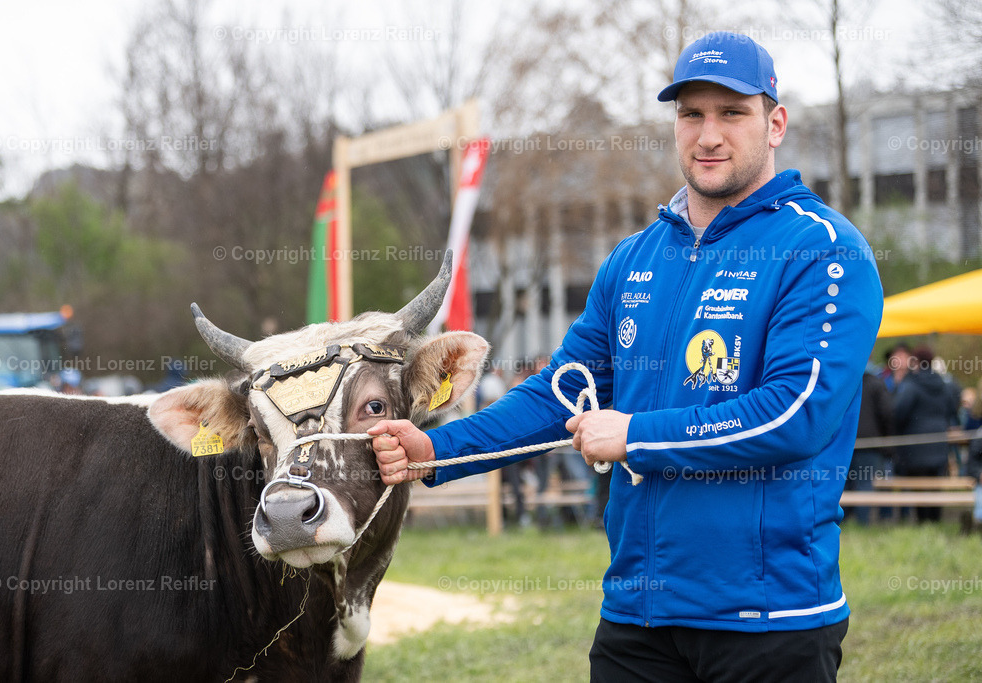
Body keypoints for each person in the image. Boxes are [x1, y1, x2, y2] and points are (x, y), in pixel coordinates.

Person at [370, 31, 882, 682]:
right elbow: (565, 389)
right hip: (636, 619)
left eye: (732, 112)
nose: (709, 134)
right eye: (691, 113)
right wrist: (439, 451)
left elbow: (795, 415)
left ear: (775, 122)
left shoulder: (824, 249)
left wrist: (635, 435)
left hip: (768, 621)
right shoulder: (634, 258)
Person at [892, 344, 960, 523]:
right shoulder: (943, 384)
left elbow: (898, 412)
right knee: (936, 485)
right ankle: (935, 521)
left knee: (919, 486)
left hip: (915, 446)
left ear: (916, 361)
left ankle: (923, 522)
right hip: (939, 444)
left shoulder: (911, 385)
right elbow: (953, 409)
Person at [844, 368, 892, 525]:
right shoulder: (876, 383)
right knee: (864, 482)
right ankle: (862, 522)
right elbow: (887, 413)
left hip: (845, 443)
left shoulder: (843, 381)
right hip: (870, 444)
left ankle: (840, 522)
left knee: (842, 482)